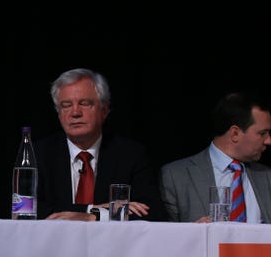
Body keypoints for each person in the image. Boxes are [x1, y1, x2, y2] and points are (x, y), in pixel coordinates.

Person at [35, 68, 167, 221]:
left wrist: (93, 217)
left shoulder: (130, 154)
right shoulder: (39, 154)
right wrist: (91, 210)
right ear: (59, 114)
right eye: (66, 105)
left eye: (84, 103)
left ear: (104, 111)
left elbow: (151, 212)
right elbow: (25, 209)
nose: (75, 112)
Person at [160, 92, 271, 223]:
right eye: (262, 133)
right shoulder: (176, 176)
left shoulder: (267, 176)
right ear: (235, 133)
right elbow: (163, 238)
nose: (268, 141)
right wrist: (191, 234)